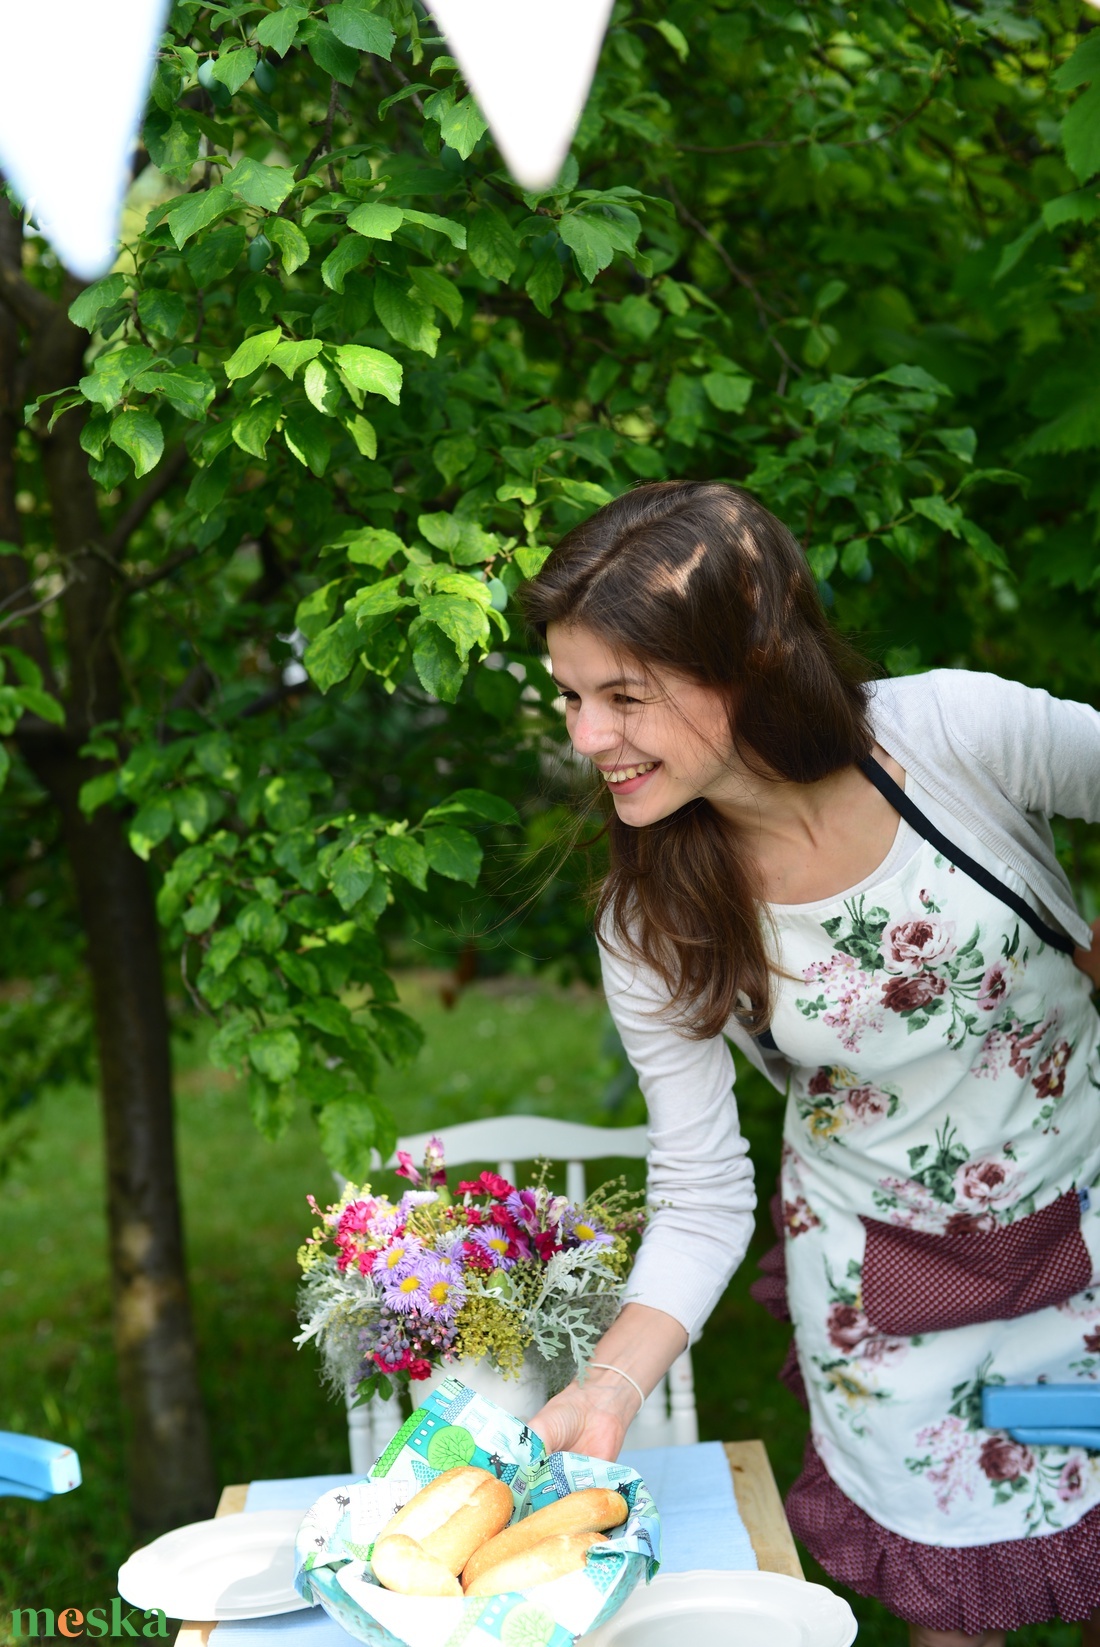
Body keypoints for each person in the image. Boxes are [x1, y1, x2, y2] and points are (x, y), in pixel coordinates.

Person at [521, 480, 1100, 1647]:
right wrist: (609, 1387)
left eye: (622, 696)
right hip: (889, 1306)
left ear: (749, 661)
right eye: (572, 698)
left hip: (1086, 1256)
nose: (587, 739)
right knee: (952, 1614)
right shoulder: (652, 919)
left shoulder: (949, 738)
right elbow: (699, 1196)